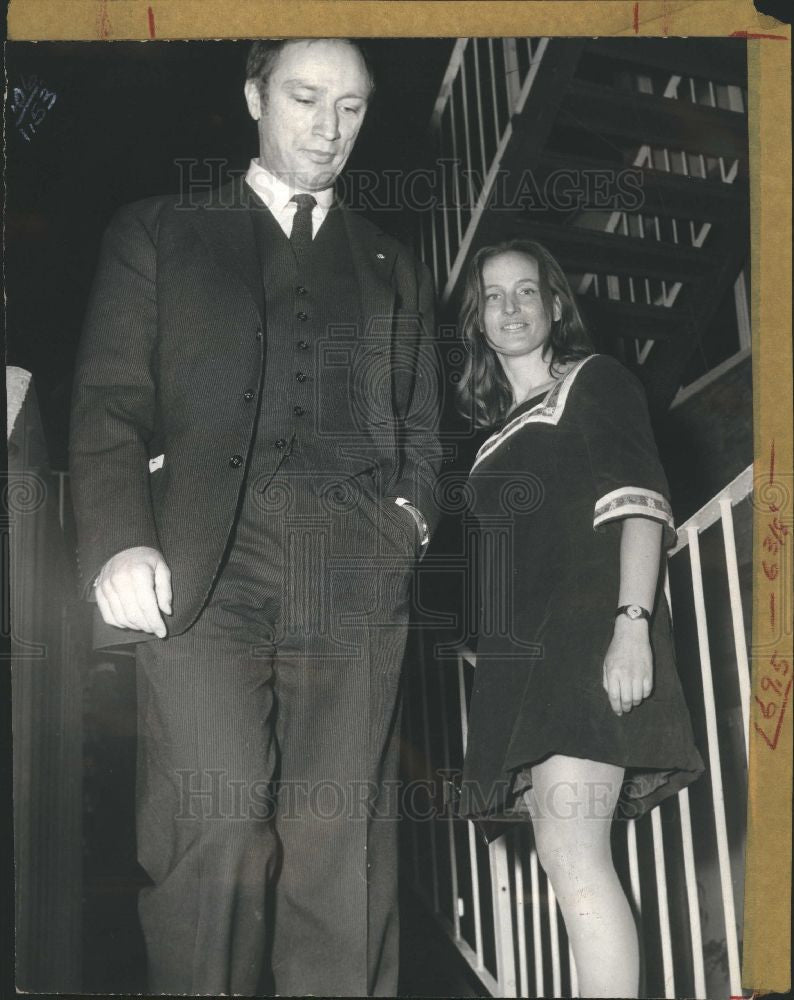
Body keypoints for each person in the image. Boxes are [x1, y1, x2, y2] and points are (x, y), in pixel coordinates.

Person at [69, 38, 441, 997]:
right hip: (205, 569)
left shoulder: (395, 263)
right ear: (252, 95)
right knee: (216, 826)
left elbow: (423, 428)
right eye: (304, 98)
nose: (327, 130)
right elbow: (111, 401)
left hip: (354, 572)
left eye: (352, 108)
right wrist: (121, 538)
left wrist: (407, 527)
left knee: (341, 845)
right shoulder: (155, 231)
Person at [456, 239, 703, 998]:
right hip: (519, 671)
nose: (510, 307)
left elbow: (641, 504)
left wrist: (633, 624)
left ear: (555, 304)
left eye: (526, 290)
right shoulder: (485, 442)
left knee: (575, 854)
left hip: (584, 647)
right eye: (493, 297)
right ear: (479, 323)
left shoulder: (595, 382)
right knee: (566, 864)